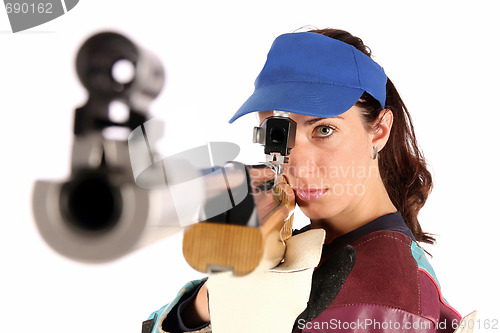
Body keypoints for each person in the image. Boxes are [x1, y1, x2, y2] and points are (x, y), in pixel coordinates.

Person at [142, 28, 462, 333]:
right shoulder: (313, 243)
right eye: (278, 135)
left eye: (323, 130)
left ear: (378, 130)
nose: (299, 165)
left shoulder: (389, 292)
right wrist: (210, 300)